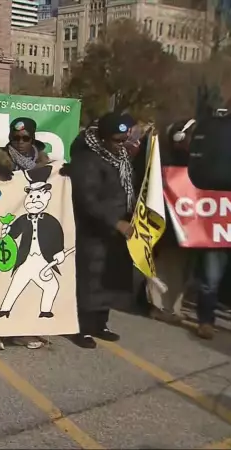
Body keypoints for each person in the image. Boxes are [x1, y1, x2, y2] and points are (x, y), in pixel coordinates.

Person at [67, 112, 137, 349]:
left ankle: (100, 324)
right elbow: (87, 199)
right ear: (104, 138)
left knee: (109, 277)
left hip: (117, 230)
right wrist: (115, 222)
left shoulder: (122, 157)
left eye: (124, 140)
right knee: (89, 279)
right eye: (117, 140)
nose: (121, 144)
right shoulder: (87, 160)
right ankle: (81, 328)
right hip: (93, 230)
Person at [0, 117, 49, 351]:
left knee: (27, 279)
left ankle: (22, 330)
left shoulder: (43, 162)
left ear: (33, 139)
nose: (19, 142)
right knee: (0, 277)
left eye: (25, 138)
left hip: (32, 230)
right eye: (15, 137)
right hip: (4, 227)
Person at [145, 119, 198, 325]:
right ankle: (159, 307)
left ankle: (173, 307)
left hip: (188, 224)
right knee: (165, 266)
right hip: (166, 222)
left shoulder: (197, 161)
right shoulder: (163, 159)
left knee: (180, 267)